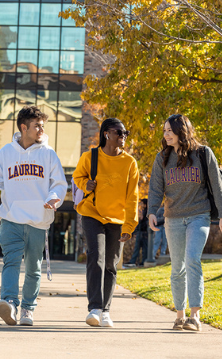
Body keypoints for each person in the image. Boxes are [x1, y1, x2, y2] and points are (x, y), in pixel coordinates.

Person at [0, 106, 67, 326]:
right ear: (23, 127)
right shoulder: (6, 152)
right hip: (11, 218)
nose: (41, 130)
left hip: (38, 220)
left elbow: (59, 183)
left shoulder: (48, 153)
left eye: (42, 126)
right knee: (11, 264)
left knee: (34, 269)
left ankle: (28, 309)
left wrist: (54, 198)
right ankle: (9, 303)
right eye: (37, 126)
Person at [148, 114, 222, 332]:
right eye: (164, 130)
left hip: (199, 215)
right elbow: (156, 188)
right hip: (173, 217)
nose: (165, 134)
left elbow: (217, 185)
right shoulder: (163, 158)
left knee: (192, 259)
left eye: (169, 131)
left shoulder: (203, 153)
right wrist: (151, 212)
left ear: (181, 132)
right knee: (177, 267)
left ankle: (195, 316)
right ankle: (179, 315)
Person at [73, 118, 139, 328]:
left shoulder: (130, 163)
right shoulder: (90, 156)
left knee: (111, 264)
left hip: (117, 220)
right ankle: (94, 308)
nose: (123, 137)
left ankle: (106, 310)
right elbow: (77, 177)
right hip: (92, 213)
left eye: (125, 133)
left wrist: (129, 226)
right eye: (119, 133)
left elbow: (133, 197)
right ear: (106, 134)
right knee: (96, 256)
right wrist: (86, 184)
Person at [125, 198, 148, 267]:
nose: (141, 204)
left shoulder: (147, 212)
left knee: (144, 248)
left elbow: (144, 223)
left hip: (144, 232)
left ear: (145, 204)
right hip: (141, 232)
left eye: (142, 203)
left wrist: (141, 219)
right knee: (138, 248)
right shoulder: (143, 211)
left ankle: (142, 261)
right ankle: (134, 261)